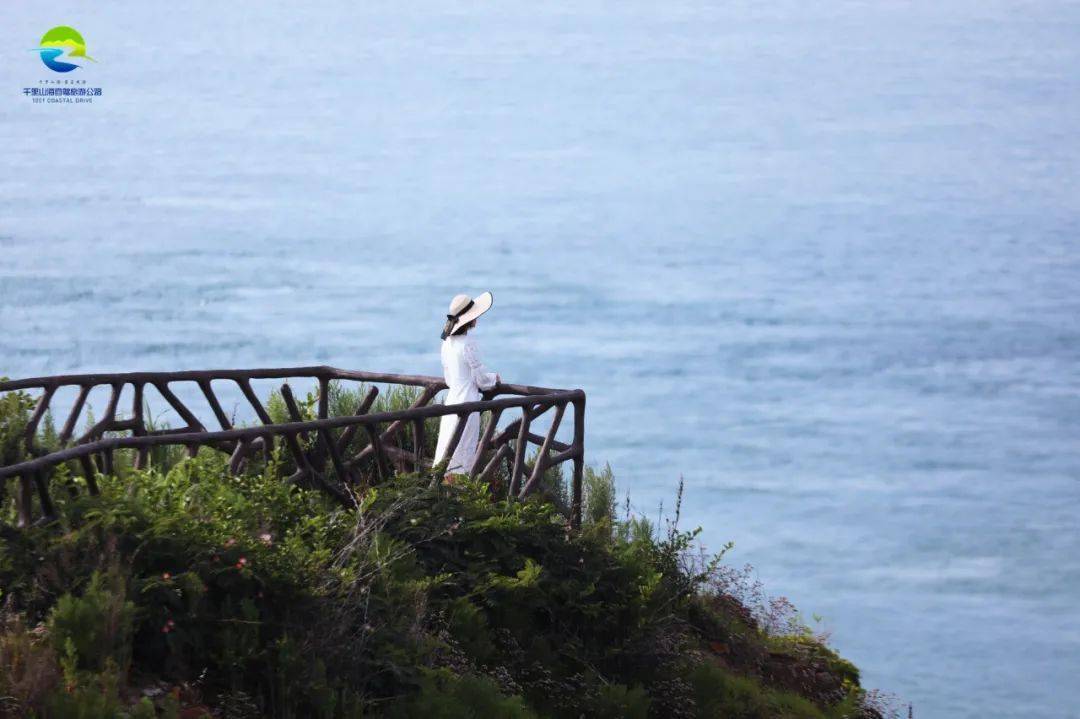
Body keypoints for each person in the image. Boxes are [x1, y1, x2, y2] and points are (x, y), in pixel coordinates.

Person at [433, 291, 500, 476]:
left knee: (447, 454)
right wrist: (495, 378)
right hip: (467, 404)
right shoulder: (469, 343)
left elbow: (448, 379)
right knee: (463, 453)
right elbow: (481, 380)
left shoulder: (446, 344)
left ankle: (444, 496)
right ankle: (458, 499)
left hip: (451, 402)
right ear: (470, 320)